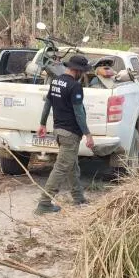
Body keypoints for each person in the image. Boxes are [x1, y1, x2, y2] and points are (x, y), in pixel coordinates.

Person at [35, 54, 94, 214]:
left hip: (58, 131)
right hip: (70, 133)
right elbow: (79, 113)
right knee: (61, 168)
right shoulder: (75, 86)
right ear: (78, 71)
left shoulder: (56, 81)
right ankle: (44, 203)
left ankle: (79, 198)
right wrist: (88, 134)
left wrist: (42, 124)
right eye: (83, 72)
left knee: (72, 166)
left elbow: (48, 103)